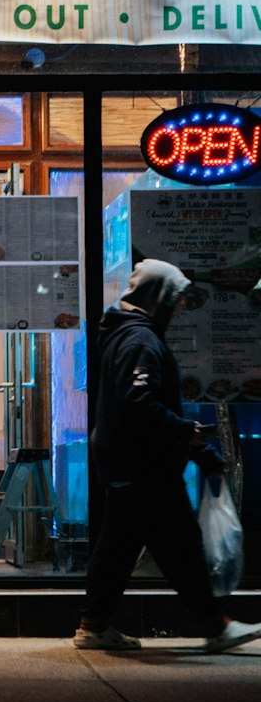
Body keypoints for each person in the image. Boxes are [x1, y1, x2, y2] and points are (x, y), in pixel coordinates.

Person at [74, 258, 261, 654]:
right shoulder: (140, 341)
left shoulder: (127, 335)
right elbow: (138, 401)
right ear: (159, 296)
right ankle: (216, 625)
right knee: (180, 546)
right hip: (144, 464)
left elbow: (141, 405)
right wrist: (186, 433)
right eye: (176, 298)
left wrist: (197, 449)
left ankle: (93, 625)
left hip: (125, 460)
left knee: (119, 547)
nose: (179, 307)